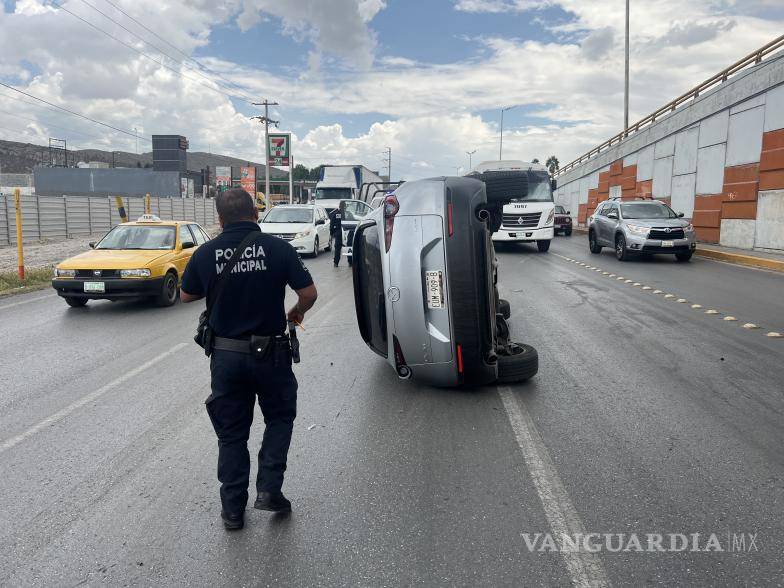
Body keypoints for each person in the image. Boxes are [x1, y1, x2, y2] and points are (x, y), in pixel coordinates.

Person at [180, 188, 318, 531]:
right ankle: (269, 489)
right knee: (280, 418)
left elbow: (186, 295)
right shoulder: (278, 249)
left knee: (231, 433)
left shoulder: (206, 252)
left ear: (219, 219)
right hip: (271, 354)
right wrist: (296, 314)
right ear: (256, 214)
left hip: (226, 356)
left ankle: (232, 511)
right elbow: (309, 293)